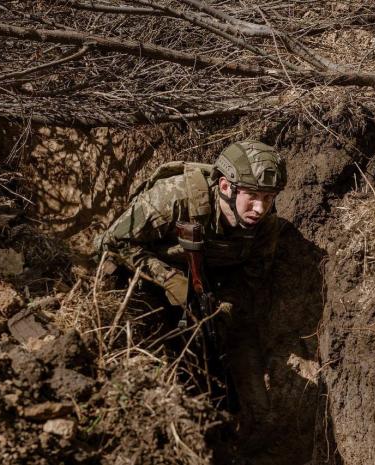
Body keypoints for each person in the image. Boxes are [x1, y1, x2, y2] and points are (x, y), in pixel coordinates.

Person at [93, 140, 287, 442]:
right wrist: (168, 279)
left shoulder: (265, 227)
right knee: (150, 338)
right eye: (252, 196)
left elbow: (250, 280)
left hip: (206, 290)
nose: (260, 208)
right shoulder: (175, 196)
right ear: (225, 186)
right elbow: (111, 243)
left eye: (268, 198)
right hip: (145, 281)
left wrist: (225, 307)